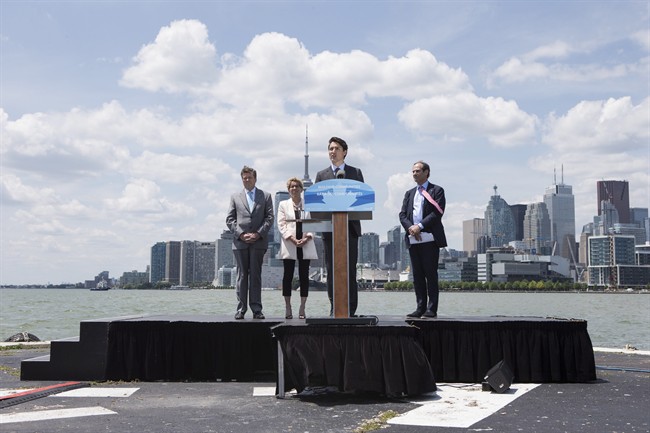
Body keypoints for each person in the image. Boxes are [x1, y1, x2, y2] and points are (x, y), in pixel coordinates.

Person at [314, 136, 364, 316]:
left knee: (350, 271)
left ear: (345, 152)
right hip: (329, 230)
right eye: (330, 149)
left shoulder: (355, 172)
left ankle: (350, 309)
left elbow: (362, 199)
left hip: (349, 230)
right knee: (331, 270)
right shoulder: (321, 175)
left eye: (336, 148)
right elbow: (316, 202)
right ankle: (334, 307)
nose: (332, 152)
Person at [399, 161, 447, 319]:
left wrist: (419, 226)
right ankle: (420, 308)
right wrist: (411, 228)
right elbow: (402, 215)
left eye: (418, 171)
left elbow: (437, 213)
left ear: (427, 172)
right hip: (413, 239)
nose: (414, 174)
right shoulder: (409, 193)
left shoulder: (436, 190)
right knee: (417, 276)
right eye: (413, 171)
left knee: (430, 275)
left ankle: (431, 309)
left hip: (430, 239)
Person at [226, 166, 274, 320]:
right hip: (240, 243)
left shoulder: (265, 196)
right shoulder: (235, 197)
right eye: (244, 178)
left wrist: (258, 234)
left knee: (256, 276)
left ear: (255, 179)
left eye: (249, 177)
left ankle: (257, 310)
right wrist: (241, 234)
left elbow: (269, 218)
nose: (247, 180)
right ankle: (241, 309)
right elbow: (230, 219)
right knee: (241, 276)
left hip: (258, 242)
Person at [276, 177, 318, 319]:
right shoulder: (283, 205)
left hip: (305, 243)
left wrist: (306, 238)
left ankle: (302, 307)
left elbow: (314, 223)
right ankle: (288, 306)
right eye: (291, 187)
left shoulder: (309, 204)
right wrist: (292, 239)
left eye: (296, 186)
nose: (294, 189)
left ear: (301, 189)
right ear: (288, 190)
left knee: (304, 277)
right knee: (287, 276)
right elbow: (281, 225)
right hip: (290, 244)